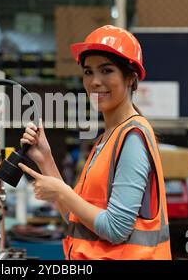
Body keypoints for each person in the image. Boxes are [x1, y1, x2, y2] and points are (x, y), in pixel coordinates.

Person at [18, 25, 171, 260]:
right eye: (88, 72)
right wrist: (46, 159)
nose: (95, 82)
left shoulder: (132, 139)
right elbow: (75, 215)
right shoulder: (107, 139)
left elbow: (116, 229)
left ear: (130, 77)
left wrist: (62, 191)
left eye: (106, 70)